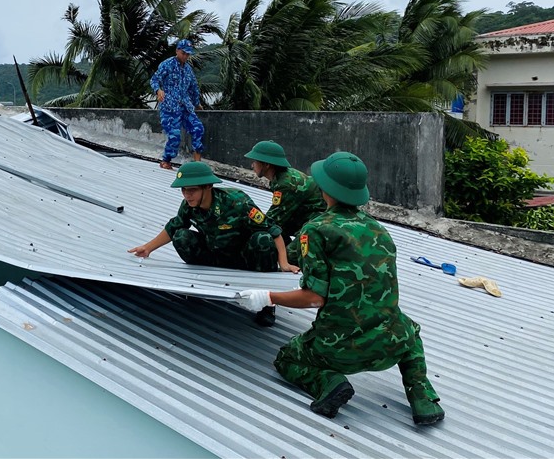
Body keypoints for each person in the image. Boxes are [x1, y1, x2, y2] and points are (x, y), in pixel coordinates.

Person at [236, 152, 445, 425]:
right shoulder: (378, 229)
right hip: (390, 345)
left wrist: (267, 296)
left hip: (338, 349)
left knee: (287, 360)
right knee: (411, 332)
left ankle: (330, 383)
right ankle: (422, 398)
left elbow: (314, 297)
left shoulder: (316, 230)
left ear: (325, 187)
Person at [128, 161, 299, 327]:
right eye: (184, 190)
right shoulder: (189, 205)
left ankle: (267, 305)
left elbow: (274, 231)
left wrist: (283, 264)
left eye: (192, 190)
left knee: (263, 239)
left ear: (208, 187)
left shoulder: (237, 202)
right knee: (182, 237)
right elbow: (174, 227)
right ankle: (199, 287)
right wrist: (148, 248)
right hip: (215, 256)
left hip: (244, 258)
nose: (187, 195)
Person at [245, 140, 326, 264]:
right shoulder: (279, 178)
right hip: (305, 217)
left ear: (266, 165)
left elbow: (272, 219)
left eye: (255, 161)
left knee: (286, 256)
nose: (252, 165)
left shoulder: (286, 184)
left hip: (319, 223)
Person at [151, 39, 204, 170]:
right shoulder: (167, 64)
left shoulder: (188, 70)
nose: (185, 56)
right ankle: (166, 160)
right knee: (174, 136)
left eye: (188, 54)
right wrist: (158, 90)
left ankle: (197, 164)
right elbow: (155, 79)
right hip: (169, 107)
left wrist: (197, 104)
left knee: (198, 128)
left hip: (185, 106)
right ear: (177, 51)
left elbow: (193, 88)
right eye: (183, 53)